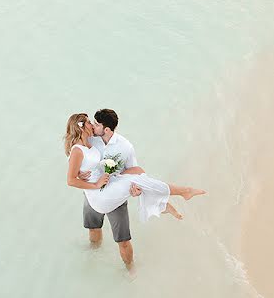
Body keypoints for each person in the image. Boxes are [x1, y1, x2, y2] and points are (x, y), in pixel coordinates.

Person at [64, 111, 206, 269]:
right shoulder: (90, 138)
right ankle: (94, 252)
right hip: (94, 192)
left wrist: (135, 191)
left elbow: (133, 170)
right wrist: (80, 175)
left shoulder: (125, 147)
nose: (93, 125)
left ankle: (130, 268)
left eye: (96, 124)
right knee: (93, 228)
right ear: (83, 128)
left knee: (137, 175)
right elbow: (73, 156)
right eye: (91, 123)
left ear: (106, 129)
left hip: (114, 193)